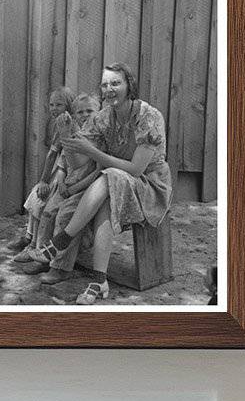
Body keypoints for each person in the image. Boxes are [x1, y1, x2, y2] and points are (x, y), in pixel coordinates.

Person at [23, 63, 172, 305]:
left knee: (110, 175)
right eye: (105, 84)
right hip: (115, 183)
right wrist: (68, 134)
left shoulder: (149, 117)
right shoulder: (103, 117)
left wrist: (93, 153)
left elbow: (136, 169)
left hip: (149, 185)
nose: (109, 89)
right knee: (106, 200)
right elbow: (80, 159)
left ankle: (60, 241)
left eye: (116, 83)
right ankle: (99, 280)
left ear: (129, 86)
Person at [13, 92, 101, 262]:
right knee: (40, 201)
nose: (85, 115)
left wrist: (48, 181)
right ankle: (34, 245)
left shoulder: (89, 135)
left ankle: (41, 251)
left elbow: (95, 171)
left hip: (79, 186)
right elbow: (63, 162)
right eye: (51, 104)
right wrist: (58, 180)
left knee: (49, 204)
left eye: (89, 111)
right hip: (65, 180)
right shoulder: (68, 129)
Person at [8, 84, 76, 255]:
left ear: (68, 105)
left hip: (66, 170)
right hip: (60, 167)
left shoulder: (67, 122)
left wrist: (44, 180)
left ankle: (33, 244)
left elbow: (52, 155)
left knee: (41, 196)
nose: (54, 108)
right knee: (36, 193)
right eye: (52, 104)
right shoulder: (57, 122)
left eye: (59, 104)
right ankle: (28, 236)